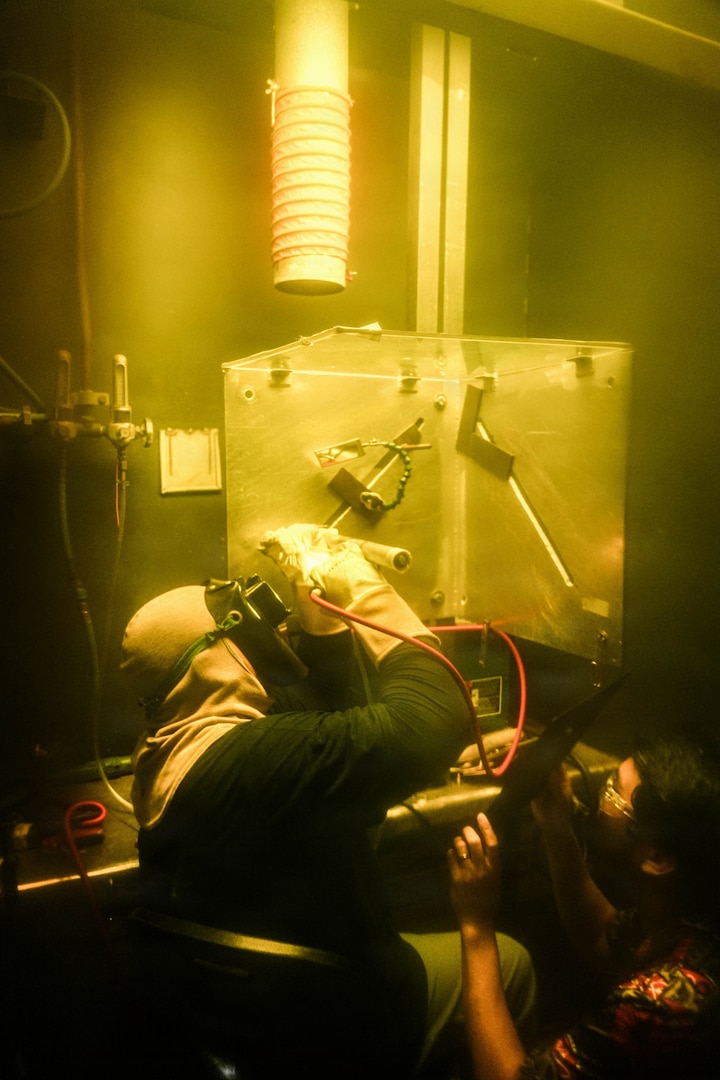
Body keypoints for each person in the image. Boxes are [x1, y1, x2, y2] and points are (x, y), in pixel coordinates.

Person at [119, 525, 536, 1078]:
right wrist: (363, 586)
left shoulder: (179, 747)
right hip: (339, 1016)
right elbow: (432, 721)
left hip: (255, 1007)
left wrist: (315, 605)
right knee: (512, 960)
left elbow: (326, 705)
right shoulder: (257, 760)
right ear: (211, 654)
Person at [448, 729, 720, 1079]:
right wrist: (557, 827)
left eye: (612, 793)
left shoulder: (663, 1002)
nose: (599, 801)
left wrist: (476, 925)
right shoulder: (688, 913)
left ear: (657, 857)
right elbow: (603, 937)